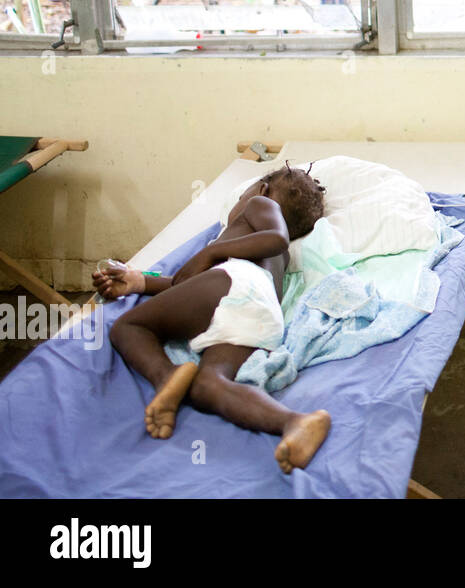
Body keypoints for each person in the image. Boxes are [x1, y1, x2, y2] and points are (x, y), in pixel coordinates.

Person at [95, 164, 332, 473]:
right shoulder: (275, 261)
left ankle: (166, 376)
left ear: (261, 190)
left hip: (234, 285)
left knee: (130, 326)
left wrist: (210, 251)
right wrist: (140, 281)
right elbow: (192, 288)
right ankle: (294, 421)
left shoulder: (259, 205)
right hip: (261, 314)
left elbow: (273, 239)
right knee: (208, 386)